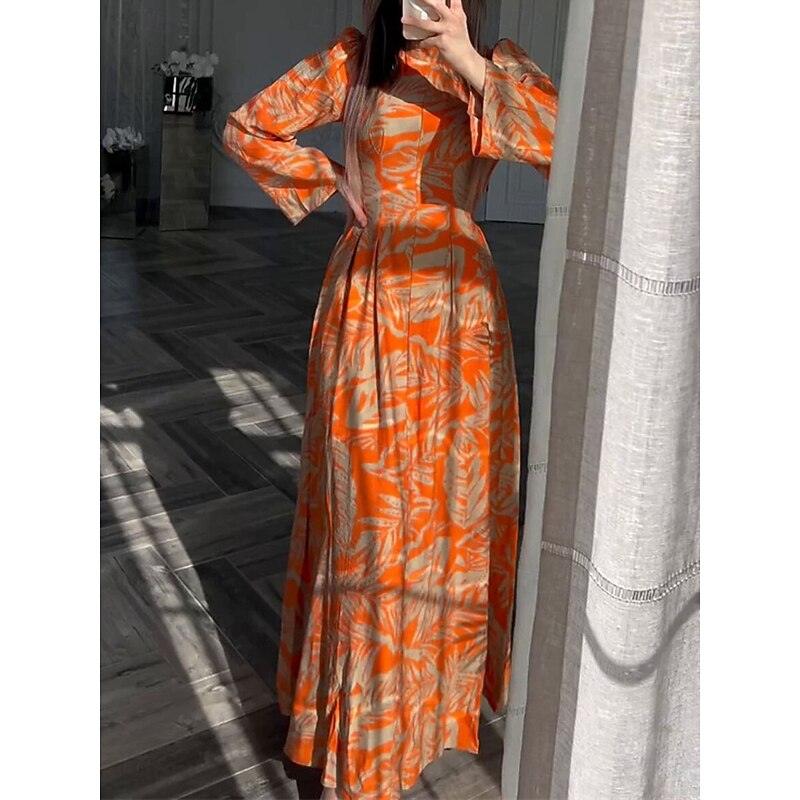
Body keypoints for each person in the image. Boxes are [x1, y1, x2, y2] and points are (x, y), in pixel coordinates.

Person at [222, 1, 558, 798]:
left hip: (461, 315)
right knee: (368, 517)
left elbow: (569, 151)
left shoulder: (498, 67)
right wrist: (328, 179)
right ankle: (363, 737)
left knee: (452, 512)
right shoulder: (354, 60)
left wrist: (468, 59)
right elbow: (248, 128)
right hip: (370, 298)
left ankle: (432, 711)